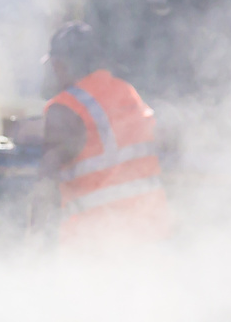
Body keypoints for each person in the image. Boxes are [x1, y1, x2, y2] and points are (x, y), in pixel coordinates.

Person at [38, 21, 171, 243]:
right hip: (151, 237)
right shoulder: (127, 93)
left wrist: (33, 244)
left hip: (97, 246)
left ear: (59, 65)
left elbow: (45, 190)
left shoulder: (64, 108)